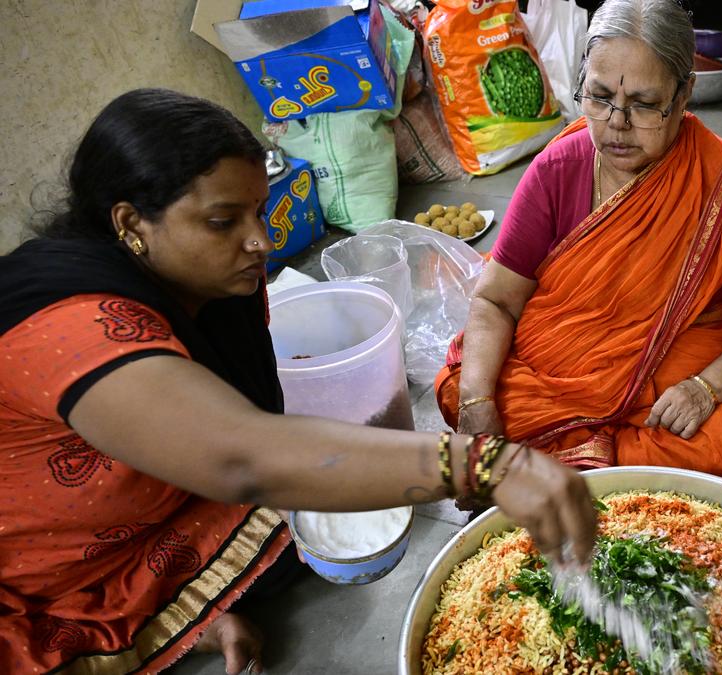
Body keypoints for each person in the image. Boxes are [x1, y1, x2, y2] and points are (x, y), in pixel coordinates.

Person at [0, 89, 596, 675]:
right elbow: (238, 457)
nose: (260, 240)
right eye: (222, 221)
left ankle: (175, 610)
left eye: (259, 211)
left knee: (308, 536)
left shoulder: (215, 283)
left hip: (153, 511)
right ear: (132, 224)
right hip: (42, 562)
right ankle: (147, 617)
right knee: (300, 510)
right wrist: (485, 466)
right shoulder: (72, 325)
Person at [435, 0, 722, 495]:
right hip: (565, 371)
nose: (617, 123)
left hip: (680, 372)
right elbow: (496, 298)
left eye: (643, 103)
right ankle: (598, 468)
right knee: (465, 389)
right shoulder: (558, 169)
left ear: (683, 97)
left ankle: (569, 471)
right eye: (598, 97)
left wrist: (707, 389)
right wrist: (478, 408)